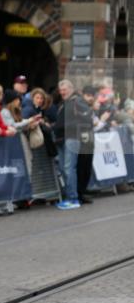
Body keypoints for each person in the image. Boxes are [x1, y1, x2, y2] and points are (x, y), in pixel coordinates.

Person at [53, 79, 93, 209]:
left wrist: (70, 126)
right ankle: (70, 197)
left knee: (69, 168)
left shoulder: (77, 101)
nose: (62, 92)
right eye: (60, 90)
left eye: (64, 89)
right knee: (64, 169)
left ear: (71, 89)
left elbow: (87, 118)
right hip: (62, 139)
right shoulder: (64, 103)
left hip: (72, 138)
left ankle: (73, 199)